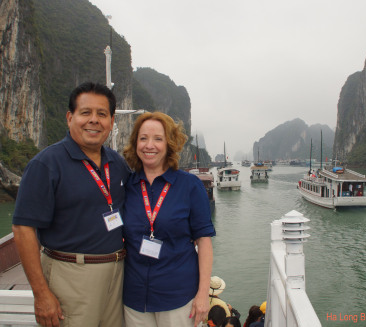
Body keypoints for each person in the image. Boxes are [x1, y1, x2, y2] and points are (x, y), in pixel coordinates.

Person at [12, 82, 130, 327]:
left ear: (111, 121)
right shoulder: (46, 165)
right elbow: (23, 229)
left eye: (102, 114)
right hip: (71, 274)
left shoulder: (117, 163)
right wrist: (41, 294)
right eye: (85, 113)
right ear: (70, 117)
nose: (94, 120)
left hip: (118, 273)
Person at [122, 112, 216, 327]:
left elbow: (204, 242)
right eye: (143, 138)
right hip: (134, 298)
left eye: (158, 139)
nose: (149, 145)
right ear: (135, 142)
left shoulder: (190, 186)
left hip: (178, 297)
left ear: (169, 144)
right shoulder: (127, 186)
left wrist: (203, 295)